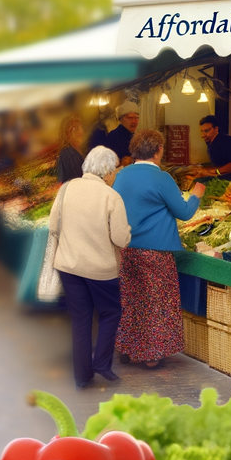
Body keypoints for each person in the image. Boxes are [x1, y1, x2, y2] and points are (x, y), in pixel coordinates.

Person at [113, 129, 206, 369]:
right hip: (155, 251)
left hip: (127, 248)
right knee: (156, 302)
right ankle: (151, 354)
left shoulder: (122, 176)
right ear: (158, 150)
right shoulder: (162, 178)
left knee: (132, 300)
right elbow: (184, 213)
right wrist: (196, 194)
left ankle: (127, 348)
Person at [49, 146, 131, 389]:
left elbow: (54, 226)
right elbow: (120, 239)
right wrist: (127, 233)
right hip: (101, 269)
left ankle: (82, 376)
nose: (115, 175)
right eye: (114, 170)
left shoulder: (66, 189)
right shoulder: (110, 196)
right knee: (111, 312)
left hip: (69, 266)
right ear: (106, 172)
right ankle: (102, 364)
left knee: (81, 319)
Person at [191, 115, 231, 181]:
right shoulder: (210, 142)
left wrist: (217, 171)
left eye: (206, 131)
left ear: (216, 129)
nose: (203, 135)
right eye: (202, 131)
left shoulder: (227, 141)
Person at [55, 114, 85, 183]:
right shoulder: (68, 153)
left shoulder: (74, 150)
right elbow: (78, 181)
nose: (81, 131)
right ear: (67, 133)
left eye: (81, 127)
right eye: (75, 128)